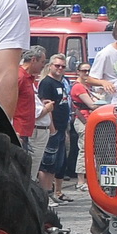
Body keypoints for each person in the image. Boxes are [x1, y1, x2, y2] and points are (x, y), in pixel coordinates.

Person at [37, 55, 72, 200]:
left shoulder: (62, 83)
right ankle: (43, 195)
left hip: (62, 127)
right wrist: (52, 128)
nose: (59, 69)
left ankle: (52, 194)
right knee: (47, 163)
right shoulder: (47, 83)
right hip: (53, 127)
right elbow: (46, 106)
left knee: (57, 163)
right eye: (57, 65)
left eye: (62, 66)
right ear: (50, 66)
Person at [16, 45, 47, 154]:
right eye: (42, 62)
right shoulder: (20, 77)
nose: (43, 66)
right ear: (33, 60)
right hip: (18, 132)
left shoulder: (28, 78)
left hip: (24, 132)